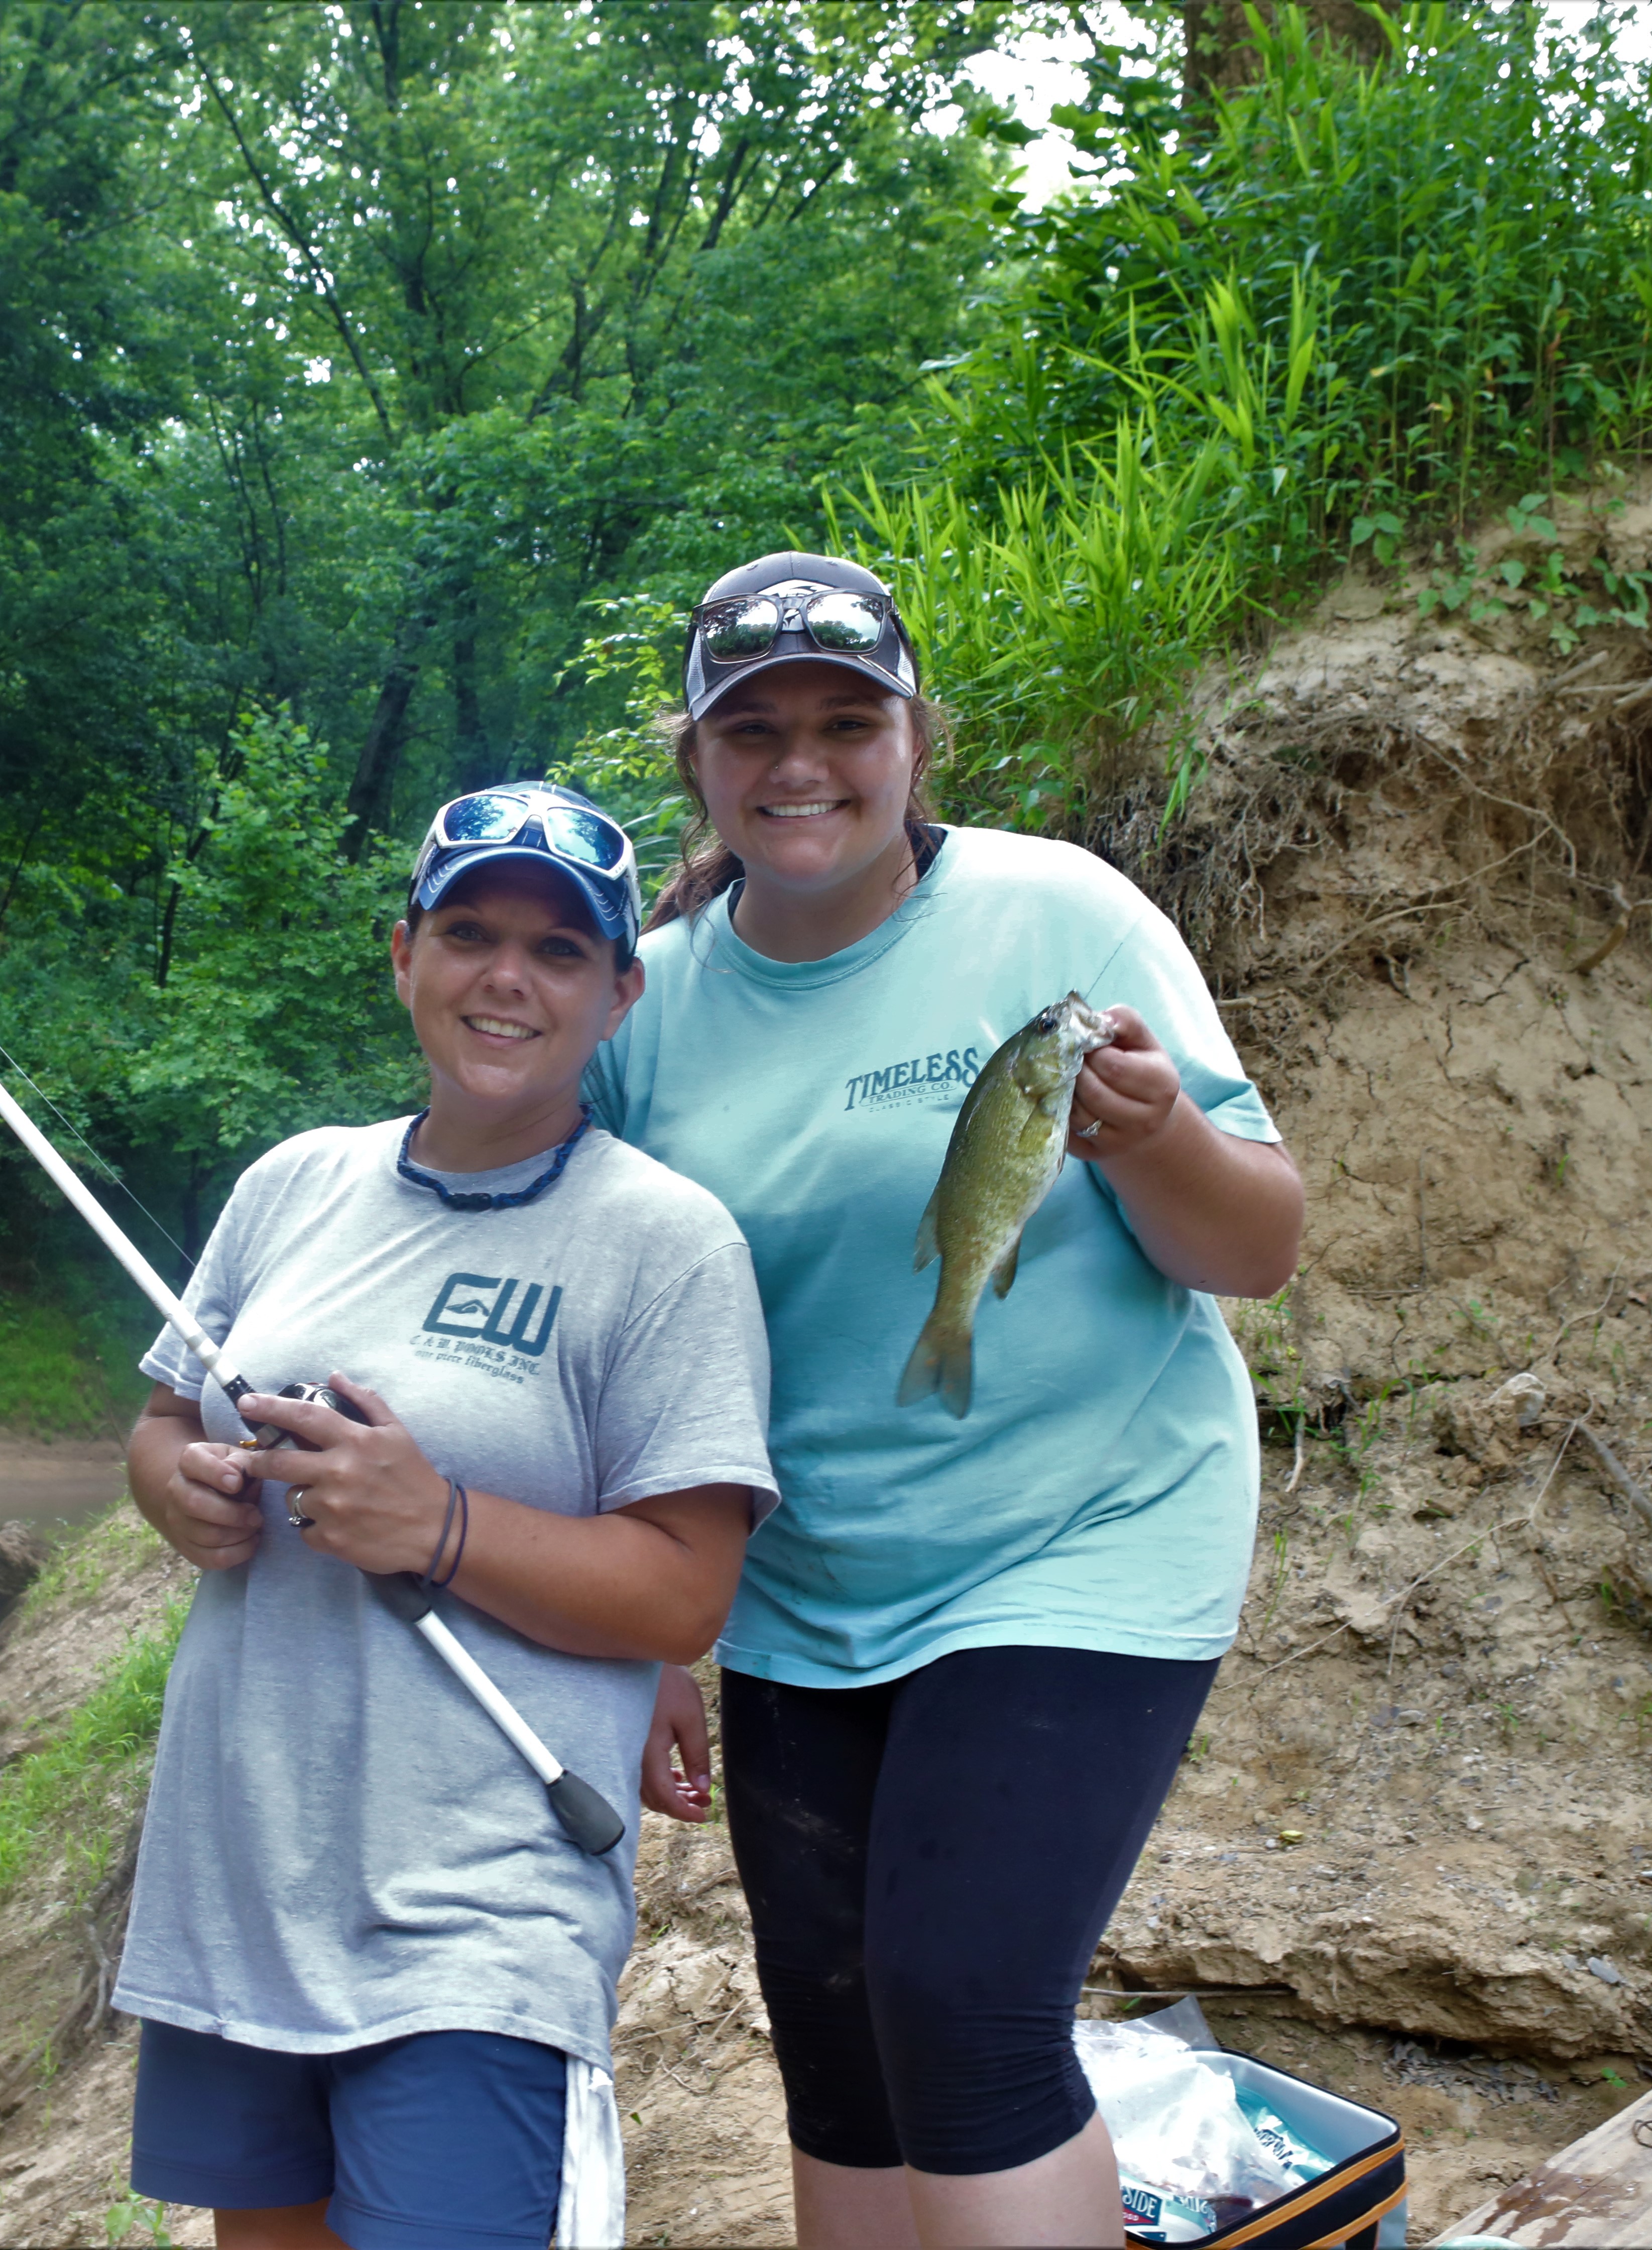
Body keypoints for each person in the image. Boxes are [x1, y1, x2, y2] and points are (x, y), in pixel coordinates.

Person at [585, 552, 1305, 2249]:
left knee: (963, 2006)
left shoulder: (1061, 915)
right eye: (751, 728)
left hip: (1087, 1532)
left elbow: (1258, 1246)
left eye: (849, 720)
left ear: (919, 740)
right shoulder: (650, 1005)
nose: (801, 763)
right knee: (834, 2037)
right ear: (696, 760)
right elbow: (616, 1349)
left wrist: (1161, 1140)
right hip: (807, 1589)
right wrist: (645, 1636)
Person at [117, 781, 780, 2250]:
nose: (505, 978)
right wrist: (184, 1490)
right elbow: (164, 1420)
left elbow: (687, 1596)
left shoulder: (666, 1243)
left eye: (558, 953)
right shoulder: (292, 1185)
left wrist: (441, 1524)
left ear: (619, 993)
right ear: (403, 952)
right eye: (470, 932)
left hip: (481, 1917)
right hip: (243, 1879)